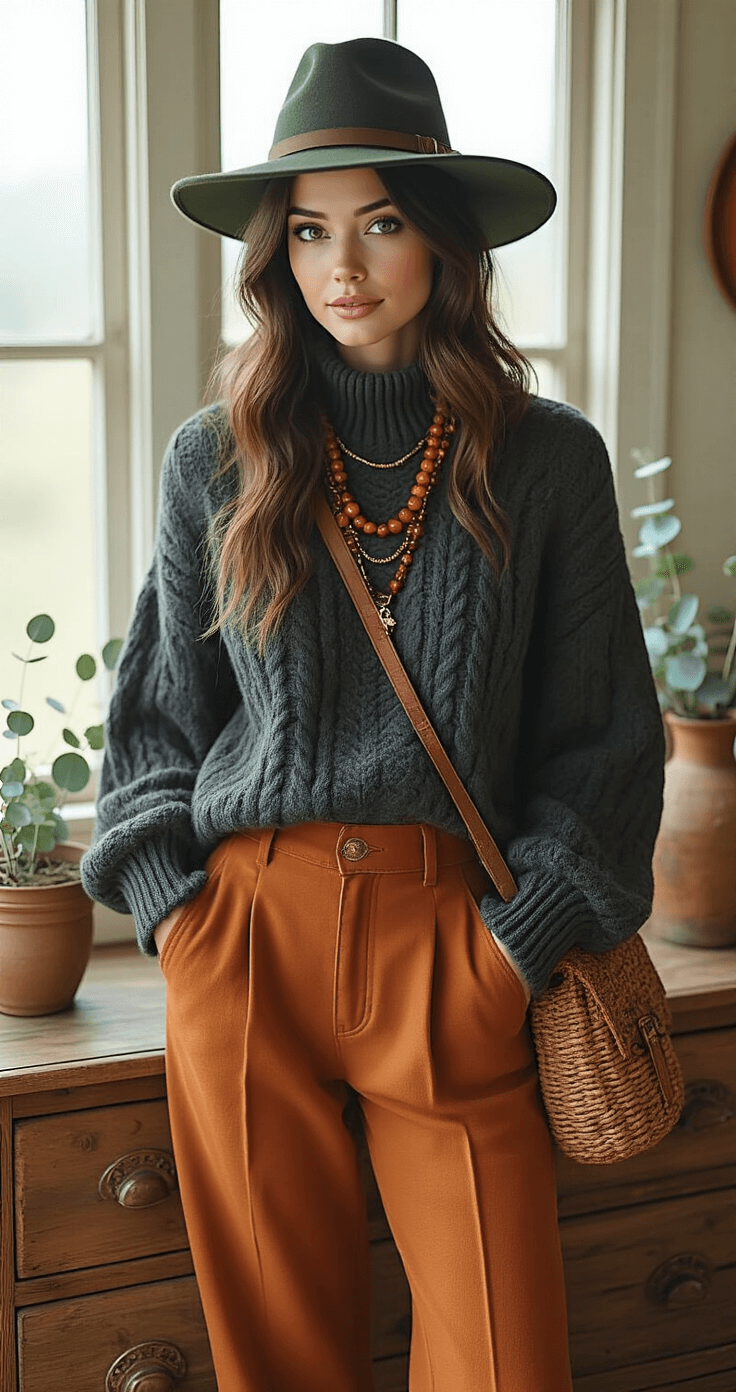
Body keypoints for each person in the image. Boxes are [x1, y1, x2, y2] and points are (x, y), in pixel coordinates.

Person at [81, 36, 664, 1392]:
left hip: (454, 943)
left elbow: (608, 745)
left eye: (382, 223)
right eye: (309, 229)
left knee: (505, 1362)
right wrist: (179, 919)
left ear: (444, 238)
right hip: (245, 942)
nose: (342, 265)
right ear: (275, 251)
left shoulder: (549, 460)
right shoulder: (215, 455)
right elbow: (156, 721)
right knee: (280, 1366)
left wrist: (510, 953)